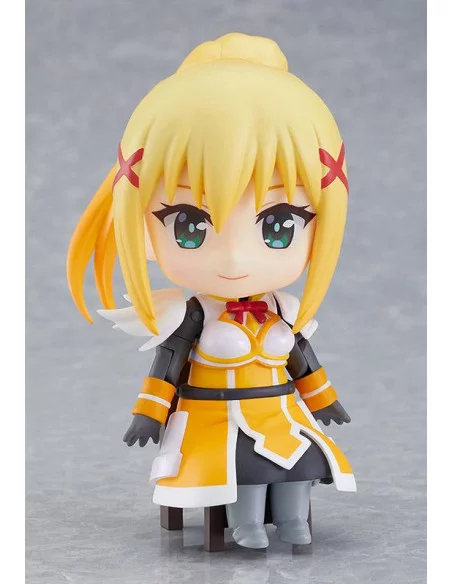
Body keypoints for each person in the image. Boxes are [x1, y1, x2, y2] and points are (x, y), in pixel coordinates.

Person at [67, 33, 356, 549]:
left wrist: (323, 400)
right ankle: (246, 524)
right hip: (212, 417)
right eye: (189, 225)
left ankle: (292, 521)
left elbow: (301, 359)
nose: (234, 259)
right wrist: (149, 413)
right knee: (242, 466)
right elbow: (168, 364)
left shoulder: (281, 309)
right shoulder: (192, 315)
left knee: (301, 463)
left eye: (279, 225)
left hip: (280, 413)